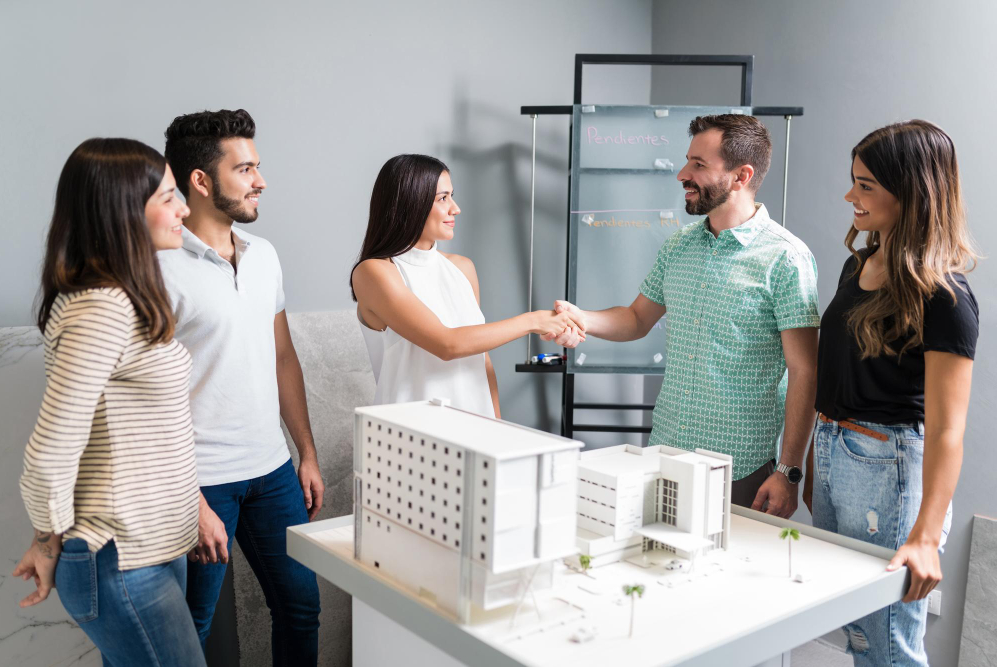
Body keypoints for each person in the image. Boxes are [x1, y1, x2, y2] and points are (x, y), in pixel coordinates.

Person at [552, 114, 820, 514]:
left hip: (741, 468)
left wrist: (788, 470)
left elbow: (805, 371)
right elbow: (637, 319)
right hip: (665, 453)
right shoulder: (678, 246)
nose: (682, 174)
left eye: (699, 164)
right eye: (687, 161)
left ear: (740, 176)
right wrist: (580, 318)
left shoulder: (786, 258)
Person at [14, 138, 205, 666]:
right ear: (123, 210)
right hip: (118, 560)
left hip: (150, 550)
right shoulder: (99, 309)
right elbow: (49, 453)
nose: (184, 209)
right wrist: (48, 542)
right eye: (169, 197)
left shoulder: (126, 298)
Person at [805, 120, 978, 666]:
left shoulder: (945, 296)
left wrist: (926, 536)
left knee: (888, 647)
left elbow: (948, 429)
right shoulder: (859, 265)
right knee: (857, 635)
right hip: (836, 452)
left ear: (913, 193)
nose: (850, 196)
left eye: (866, 185)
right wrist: (815, 463)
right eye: (854, 181)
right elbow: (836, 378)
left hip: (889, 470)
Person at [159, 109, 321, 665]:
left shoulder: (264, 255)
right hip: (200, 482)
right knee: (190, 630)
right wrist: (189, 496)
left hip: (272, 470)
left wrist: (306, 451)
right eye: (245, 168)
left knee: (301, 610)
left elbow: (282, 357)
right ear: (200, 181)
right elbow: (150, 397)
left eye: (258, 166)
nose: (261, 180)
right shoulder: (157, 266)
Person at [349, 154, 584, 418]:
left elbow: (480, 357)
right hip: (409, 438)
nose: (455, 208)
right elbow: (447, 345)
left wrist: (497, 426)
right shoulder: (374, 272)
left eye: (451, 196)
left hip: (475, 430)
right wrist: (534, 321)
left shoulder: (461, 268)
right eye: (443, 198)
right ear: (410, 203)